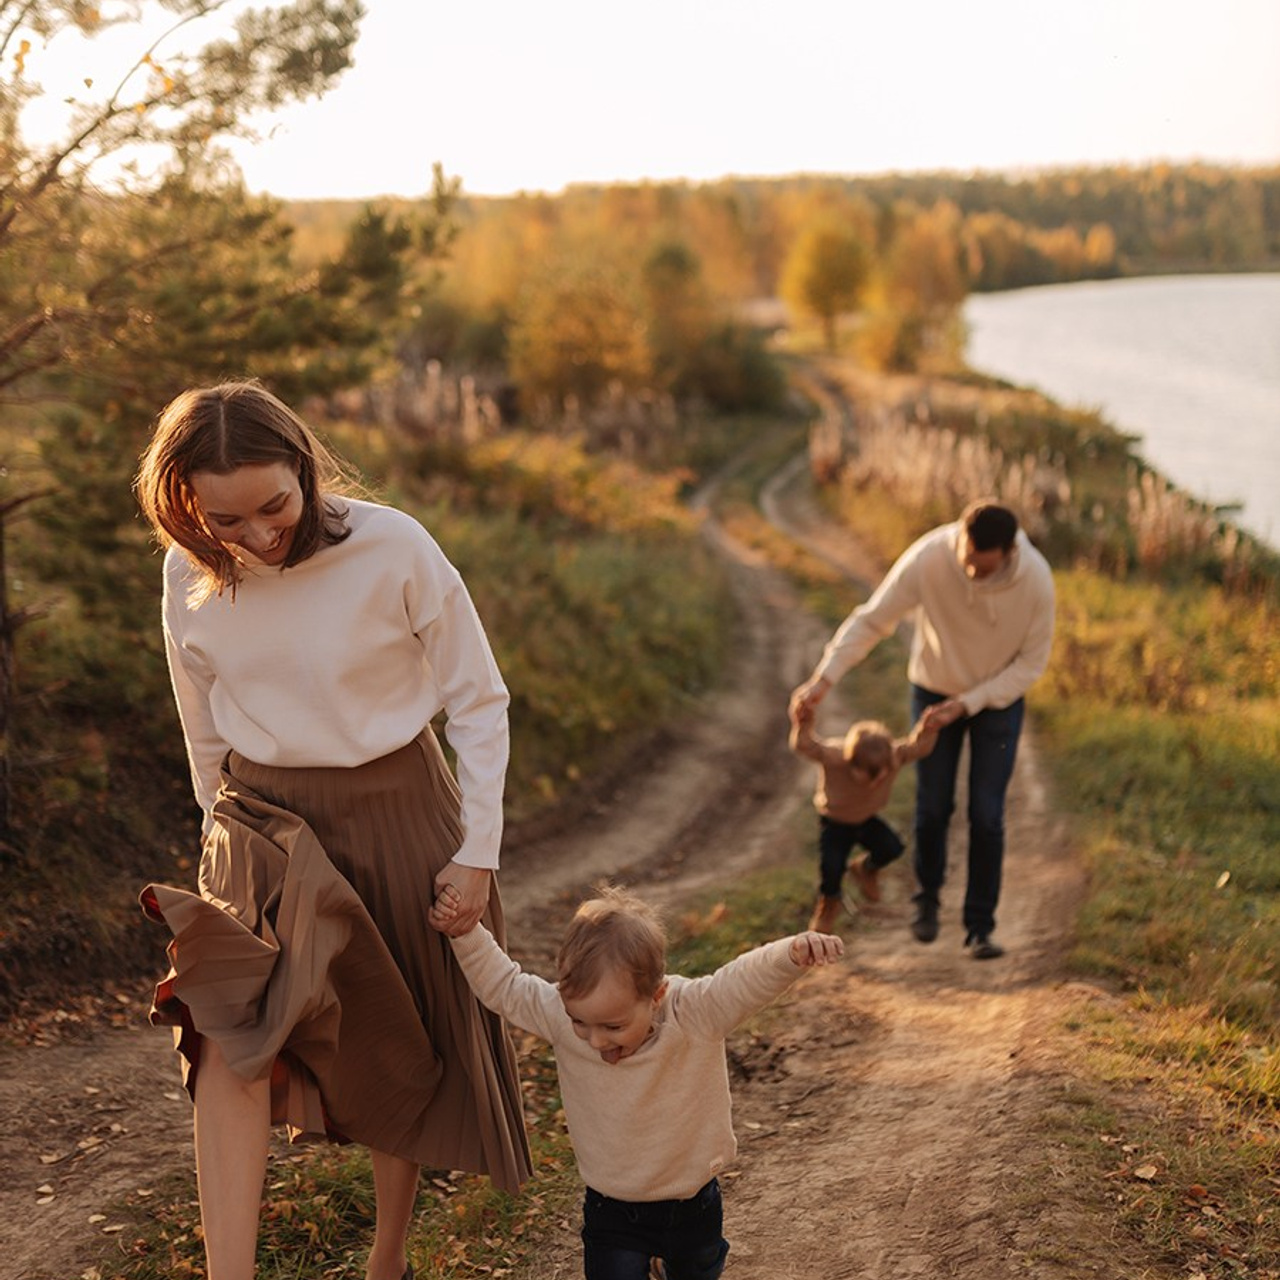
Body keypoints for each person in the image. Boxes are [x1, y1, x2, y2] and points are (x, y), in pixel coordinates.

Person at [133, 379, 532, 1280]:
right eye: (225, 519)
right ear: (187, 504)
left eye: (273, 505)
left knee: (399, 1041)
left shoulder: (394, 546)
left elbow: (478, 701)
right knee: (225, 1043)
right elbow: (200, 722)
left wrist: (478, 853)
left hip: (398, 812)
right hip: (258, 828)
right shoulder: (187, 573)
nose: (257, 535)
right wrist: (216, 833)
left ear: (304, 468)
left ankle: (388, 1258)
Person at [428, 882, 844, 1280]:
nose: (595, 1040)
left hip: (692, 1201)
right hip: (612, 1207)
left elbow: (743, 980)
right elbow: (505, 985)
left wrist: (793, 952)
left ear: (655, 997)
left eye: (613, 1026)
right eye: (580, 1022)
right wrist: (465, 930)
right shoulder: (558, 1015)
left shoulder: (694, 1013)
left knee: (700, 1268)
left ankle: (673, 1266)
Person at [792, 499, 1054, 959]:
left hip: (997, 700)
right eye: (966, 559)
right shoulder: (931, 555)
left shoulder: (1036, 581)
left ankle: (980, 927)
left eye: (982, 567)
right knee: (933, 807)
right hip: (934, 690)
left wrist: (968, 703)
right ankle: (926, 901)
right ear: (960, 538)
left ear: (1008, 553)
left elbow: (1031, 664)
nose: (970, 572)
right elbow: (873, 619)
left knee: (987, 814)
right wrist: (823, 679)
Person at [789, 699, 945, 933]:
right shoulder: (835, 756)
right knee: (831, 867)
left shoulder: (893, 757)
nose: (875, 780)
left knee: (892, 848)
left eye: (881, 773)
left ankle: (866, 868)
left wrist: (928, 728)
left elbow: (919, 747)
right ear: (850, 761)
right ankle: (828, 905)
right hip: (835, 823)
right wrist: (803, 723)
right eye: (868, 774)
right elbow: (804, 746)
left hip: (865, 820)